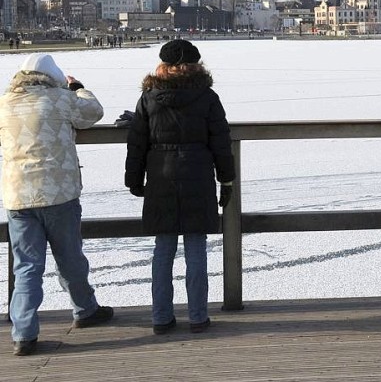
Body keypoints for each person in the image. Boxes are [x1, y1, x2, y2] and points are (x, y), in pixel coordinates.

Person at [0, 54, 114, 357]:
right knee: (70, 257)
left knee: (26, 266)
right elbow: (94, 112)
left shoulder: (4, 103)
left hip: (18, 197)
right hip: (58, 193)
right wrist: (77, 88)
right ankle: (85, 309)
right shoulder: (59, 99)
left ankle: (23, 333)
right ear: (54, 76)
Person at [125, 39, 235, 335]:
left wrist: (134, 179)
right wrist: (226, 179)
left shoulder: (149, 97)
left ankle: (161, 318)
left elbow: (137, 142)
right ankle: (198, 317)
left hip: (160, 175)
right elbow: (221, 142)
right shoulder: (207, 96)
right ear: (196, 64)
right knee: (196, 247)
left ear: (163, 65)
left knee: (164, 248)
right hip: (197, 174)